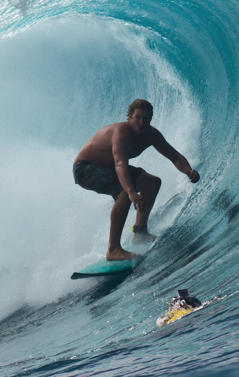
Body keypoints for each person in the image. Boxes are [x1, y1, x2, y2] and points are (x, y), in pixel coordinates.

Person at [73, 99, 200, 260]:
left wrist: (188, 171)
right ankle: (113, 249)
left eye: (146, 118)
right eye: (138, 117)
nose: (142, 122)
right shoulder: (121, 133)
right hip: (85, 168)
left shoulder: (151, 135)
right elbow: (120, 164)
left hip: (108, 167)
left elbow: (175, 157)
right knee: (124, 192)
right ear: (129, 117)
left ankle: (140, 233)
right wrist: (131, 191)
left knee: (152, 183)